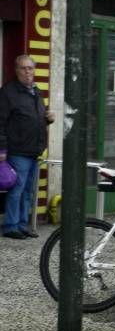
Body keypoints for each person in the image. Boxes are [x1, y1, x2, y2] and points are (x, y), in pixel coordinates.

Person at [0, 55, 54, 239]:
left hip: (34, 150)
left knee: (28, 191)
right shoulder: (8, 92)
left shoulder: (36, 91)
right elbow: (0, 122)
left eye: (30, 68)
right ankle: (11, 226)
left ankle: (23, 225)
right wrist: (2, 150)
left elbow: (37, 118)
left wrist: (48, 118)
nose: (27, 72)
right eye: (23, 68)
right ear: (16, 70)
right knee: (17, 189)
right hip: (17, 150)